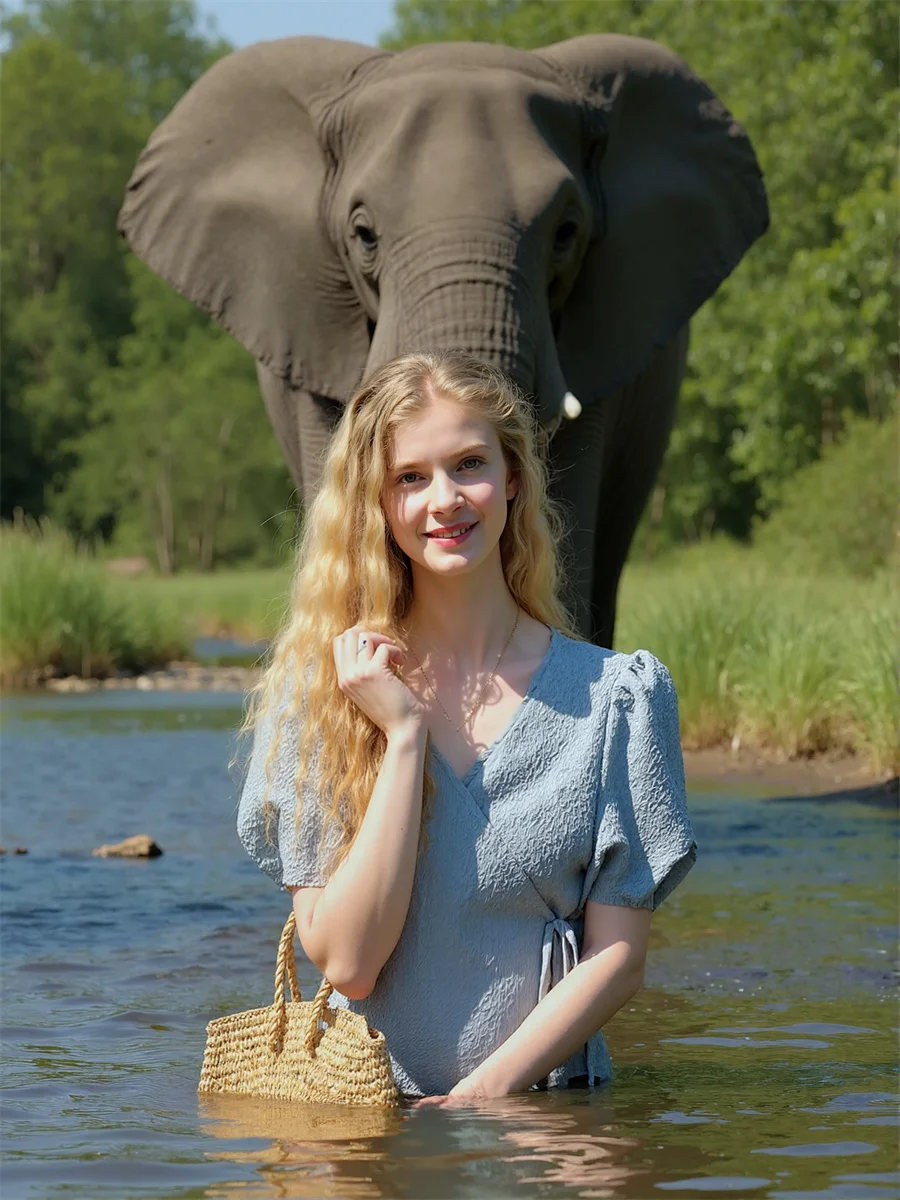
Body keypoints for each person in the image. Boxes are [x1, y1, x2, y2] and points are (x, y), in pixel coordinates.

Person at [236, 350, 697, 1105]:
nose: (444, 499)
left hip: (544, 1122)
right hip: (373, 1131)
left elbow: (620, 957)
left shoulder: (617, 697)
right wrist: (404, 736)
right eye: (410, 478)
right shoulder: (318, 698)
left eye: (469, 464)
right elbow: (349, 962)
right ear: (375, 506)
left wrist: (487, 1098)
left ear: (513, 479)